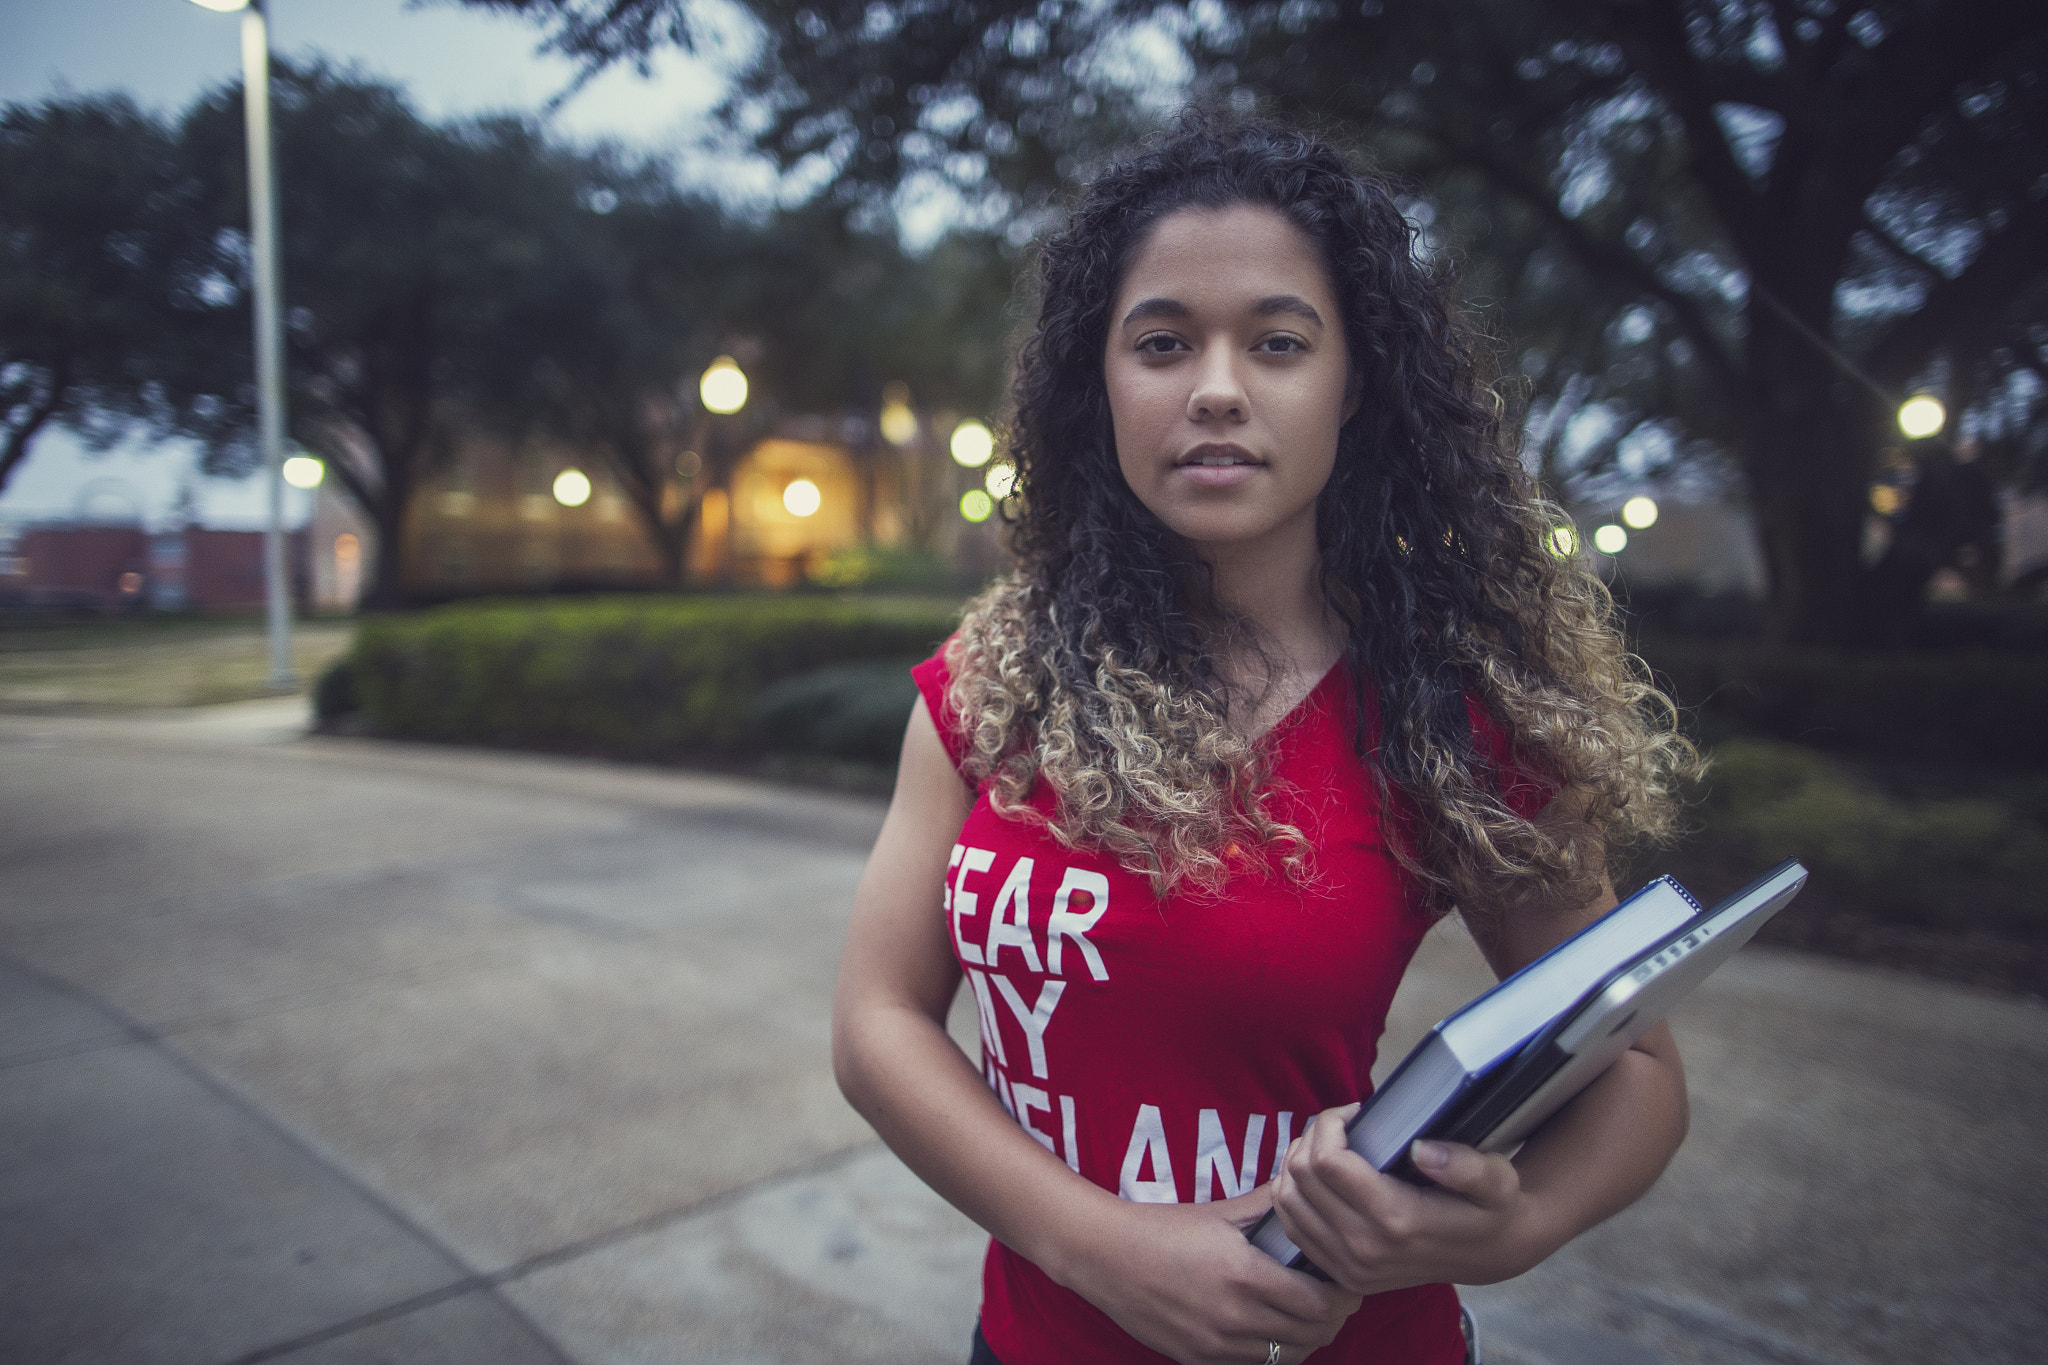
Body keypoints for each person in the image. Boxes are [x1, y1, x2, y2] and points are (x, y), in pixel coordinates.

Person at [833, 114, 1699, 1365]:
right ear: (1103, 383)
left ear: (1349, 387)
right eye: (1163, 343)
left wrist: (1506, 1231)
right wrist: (1102, 1250)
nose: (1217, 387)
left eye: (1277, 343)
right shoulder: (991, 683)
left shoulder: (1445, 712)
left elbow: (1642, 1073)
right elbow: (877, 1022)